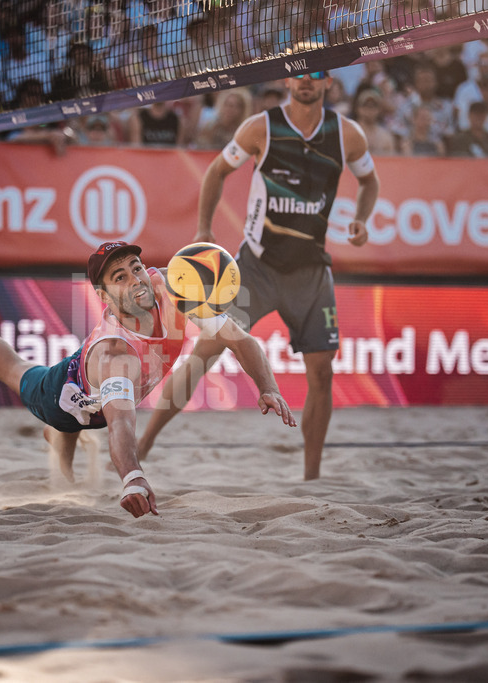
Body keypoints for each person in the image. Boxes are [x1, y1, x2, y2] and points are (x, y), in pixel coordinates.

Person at [138, 70, 380, 481]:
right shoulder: (261, 127)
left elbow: (369, 181)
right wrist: (203, 229)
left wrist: (360, 219)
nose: (306, 81)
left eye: (315, 75)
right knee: (203, 357)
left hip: (311, 272)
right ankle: (142, 445)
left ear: (328, 83)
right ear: (287, 81)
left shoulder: (347, 134)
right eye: (299, 74)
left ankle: (312, 478)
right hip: (256, 268)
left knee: (322, 374)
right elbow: (215, 172)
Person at [0, 242, 296, 517]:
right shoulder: (116, 354)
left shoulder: (172, 291)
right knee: (17, 371)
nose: (136, 280)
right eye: (120, 278)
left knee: (70, 429)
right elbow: (121, 423)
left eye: (136, 268)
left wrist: (268, 388)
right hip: (66, 392)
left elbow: (240, 339)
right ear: (103, 297)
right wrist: (132, 478)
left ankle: (61, 436)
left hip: (95, 382)